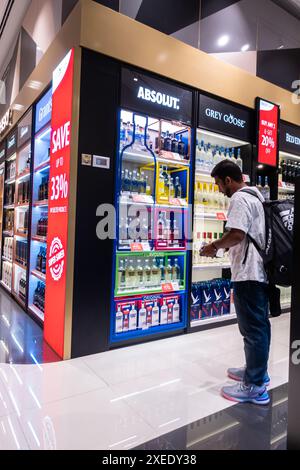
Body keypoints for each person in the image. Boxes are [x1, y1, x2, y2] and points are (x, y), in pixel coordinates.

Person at [201, 160, 270, 405]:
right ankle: (257, 370)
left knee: (253, 330)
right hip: (259, 271)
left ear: (228, 180)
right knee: (258, 326)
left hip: (248, 273)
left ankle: (255, 386)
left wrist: (213, 246)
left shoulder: (240, 199)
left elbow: (237, 234)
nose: (219, 189)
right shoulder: (257, 195)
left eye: (219, 184)